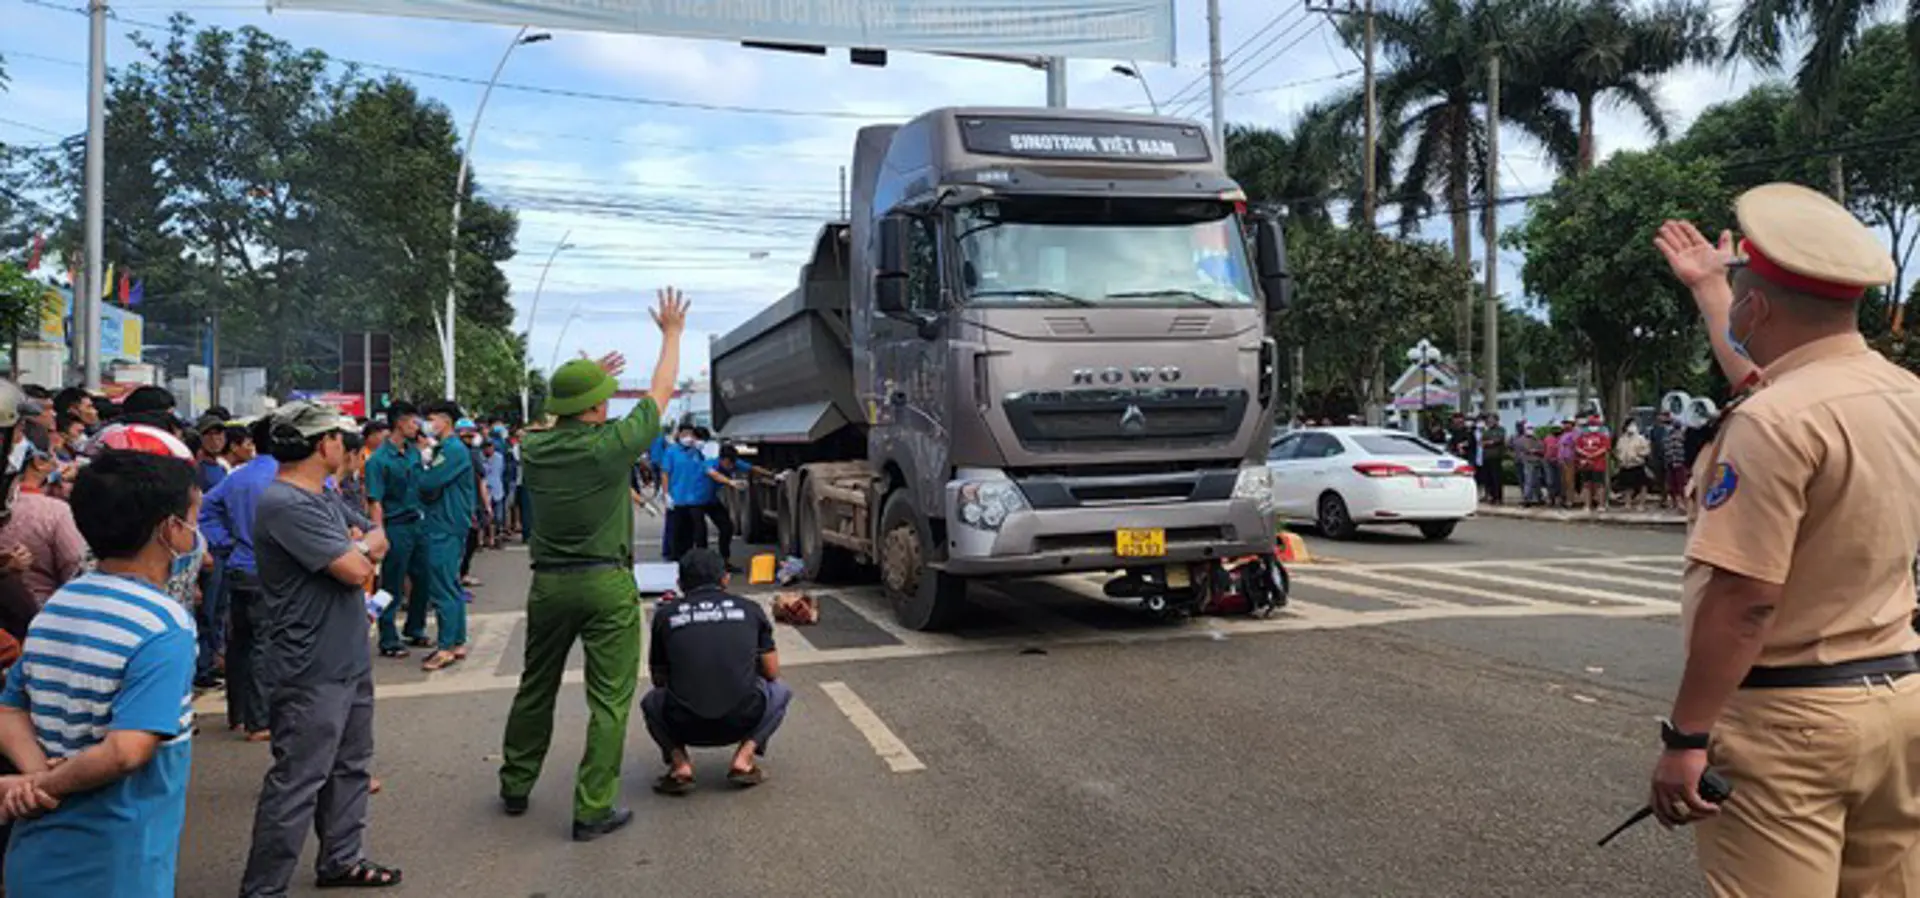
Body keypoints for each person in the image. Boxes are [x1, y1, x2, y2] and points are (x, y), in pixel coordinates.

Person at [1649, 183, 1920, 896]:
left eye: (1740, 290)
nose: (1734, 305)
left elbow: (1745, 602)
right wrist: (1712, 287)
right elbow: (1769, 388)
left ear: (1760, 307)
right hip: (1896, 705)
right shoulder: (1902, 394)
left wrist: (1686, 737)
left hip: (1789, 726)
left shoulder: (1774, 422)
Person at [499, 287, 686, 842]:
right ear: (597, 408)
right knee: (609, 700)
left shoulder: (532, 448)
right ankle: (592, 808)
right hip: (606, 582)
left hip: (549, 585)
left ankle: (515, 783)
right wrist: (672, 333)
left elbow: (549, 420)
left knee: (536, 685)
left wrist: (577, 384)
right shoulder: (611, 446)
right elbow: (660, 390)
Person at [0, 450, 201, 897]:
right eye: (192, 520)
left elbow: (9, 710)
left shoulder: (59, 604)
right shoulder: (164, 627)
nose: (195, 535)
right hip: (120, 860)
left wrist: (34, 780)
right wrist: (47, 783)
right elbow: (127, 750)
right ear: (169, 529)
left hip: (37, 853)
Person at [239, 402, 401, 894]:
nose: (342, 445)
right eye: (336, 437)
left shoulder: (323, 498)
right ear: (319, 444)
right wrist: (359, 551)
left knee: (351, 766)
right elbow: (357, 569)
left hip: (346, 655)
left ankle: (341, 858)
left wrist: (359, 548)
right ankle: (264, 887)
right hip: (308, 666)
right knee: (299, 780)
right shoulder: (284, 503)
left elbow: (378, 536)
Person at [641, 548, 791, 795]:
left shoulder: (665, 616)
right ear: (725, 579)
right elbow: (772, 672)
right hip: (743, 717)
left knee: (651, 702)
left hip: (684, 721)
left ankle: (680, 765)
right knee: (780, 691)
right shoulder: (750, 609)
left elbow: (659, 680)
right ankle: (744, 759)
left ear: (679, 584)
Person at [199, 417, 279, 741]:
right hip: (270, 570)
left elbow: (205, 510)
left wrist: (224, 543)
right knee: (264, 643)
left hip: (239, 566)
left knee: (240, 641)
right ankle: (259, 720)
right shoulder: (289, 478)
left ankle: (239, 714)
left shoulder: (239, 477)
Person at [365, 402, 431, 658]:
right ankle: (388, 636)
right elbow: (375, 501)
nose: (417, 427)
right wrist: (379, 533)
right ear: (400, 423)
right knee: (390, 584)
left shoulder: (414, 453)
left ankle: (415, 627)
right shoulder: (379, 461)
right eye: (413, 422)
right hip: (395, 526)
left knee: (423, 578)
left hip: (418, 523)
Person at [415, 401, 476, 672]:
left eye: (431, 419)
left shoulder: (451, 450)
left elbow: (427, 482)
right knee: (450, 585)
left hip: (444, 524)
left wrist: (420, 461)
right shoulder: (446, 449)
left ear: (445, 420)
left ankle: (446, 646)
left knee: (441, 587)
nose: (428, 424)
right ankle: (457, 641)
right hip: (447, 522)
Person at [1572, 414, 1611, 511]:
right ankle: (1586, 505)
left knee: (1599, 485)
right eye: (1590, 424)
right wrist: (1586, 453)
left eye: (1595, 424)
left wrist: (1593, 455)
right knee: (1586, 485)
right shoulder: (1582, 436)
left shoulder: (1603, 436)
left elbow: (1605, 448)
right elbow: (1577, 447)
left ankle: (1601, 505)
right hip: (1585, 464)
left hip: (1599, 464)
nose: (1592, 427)